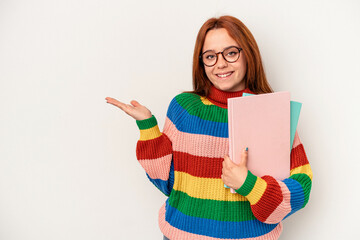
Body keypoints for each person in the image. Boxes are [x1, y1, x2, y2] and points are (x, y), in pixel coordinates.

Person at [106, 15, 312, 240]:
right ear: (201, 62)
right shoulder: (185, 108)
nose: (221, 64)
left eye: (231, 53)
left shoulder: (272, 111)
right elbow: (168, 183)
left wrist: (249, 185)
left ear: (248, 54)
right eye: (210, 56)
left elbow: (301, 187)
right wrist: (147, 126)